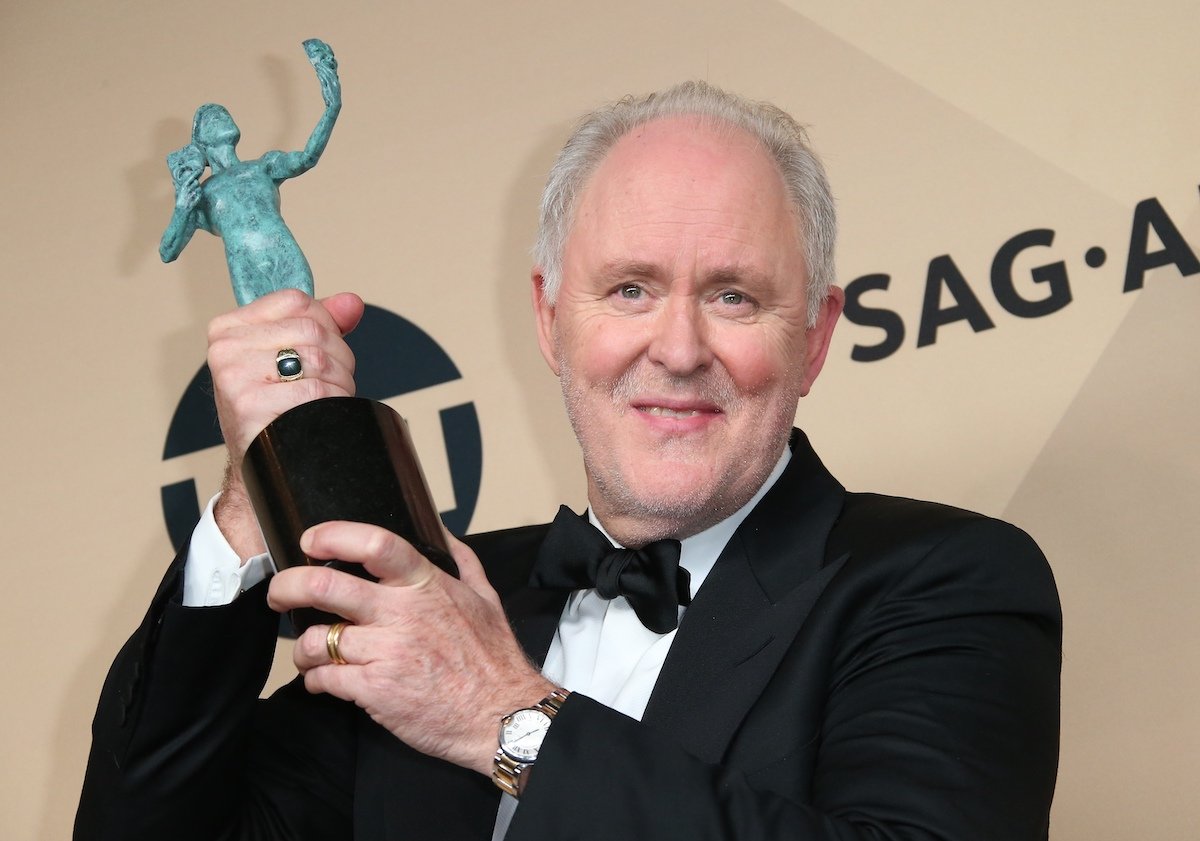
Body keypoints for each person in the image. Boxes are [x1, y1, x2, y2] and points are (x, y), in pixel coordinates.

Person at [76, 81, 1061, 840]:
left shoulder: (949, 580)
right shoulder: (437, 595)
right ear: (551, 320)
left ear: (814, 337)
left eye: (732, 296)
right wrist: (259, 486)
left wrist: (502, 711)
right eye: (630, 289)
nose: (676, 349)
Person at [159, 39, 341, 306]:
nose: (220, 114)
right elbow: (167, 251)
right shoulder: (202, 193)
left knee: (303, 317)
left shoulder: (263, 166)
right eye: (209, 117)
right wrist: (182, 208)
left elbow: (307, 157)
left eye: (223, 112)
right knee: (264, 333)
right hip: (244, 266)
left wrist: (331, 110)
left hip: (284, 253)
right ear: (201, 142)